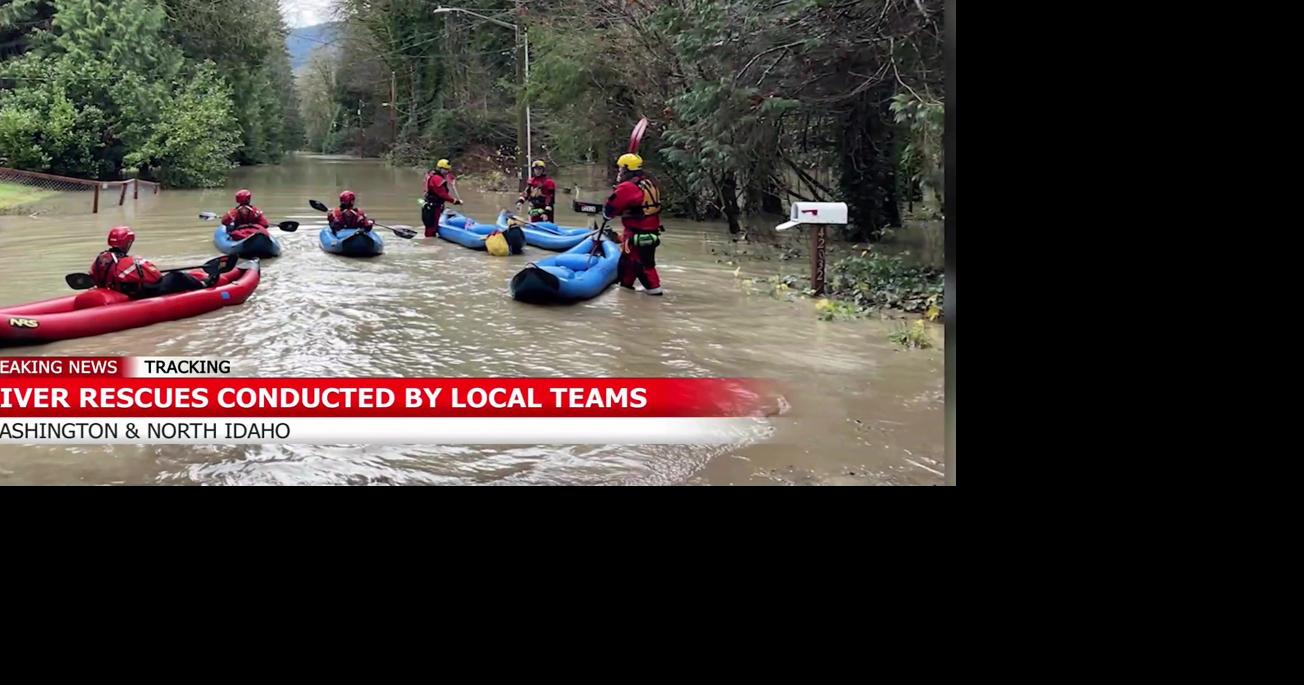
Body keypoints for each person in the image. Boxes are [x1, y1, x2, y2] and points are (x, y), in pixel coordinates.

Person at [603, 153, 664, 296]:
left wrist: (607, 214)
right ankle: (626, 289)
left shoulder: (627, 187)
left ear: (626, 169)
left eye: (620, 169)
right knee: (627, 264)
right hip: (649, 232)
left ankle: (654, 290)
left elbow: (611, 208)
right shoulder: (649, 183)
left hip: (637, 233)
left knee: (641, 265)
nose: (619, 172)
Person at [90, 226, 208, 299]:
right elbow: (156, 277)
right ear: (127, 243)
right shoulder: (130, 262)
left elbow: (92, 276)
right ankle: (204, 286)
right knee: (178, 276)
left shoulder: (101, 258)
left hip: (117, 290)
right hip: (139, 293)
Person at [422, 159, 461, 237]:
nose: (447, 171)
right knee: (431, 228)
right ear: (439, 168)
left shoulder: (436, 176)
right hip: (433, 207)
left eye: (448, 170)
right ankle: (429, 244)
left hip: (433, 206)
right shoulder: (436, 179)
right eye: (445, 169)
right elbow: (442, 194)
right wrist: (455, 201)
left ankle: (430, 241)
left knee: (432, 227)